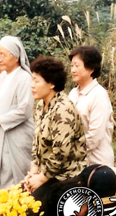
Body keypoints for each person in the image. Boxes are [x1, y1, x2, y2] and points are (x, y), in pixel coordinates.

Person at [22, 56, 87, 203]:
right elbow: (37, 142)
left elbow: (61, 153)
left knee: (30, 207)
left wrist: (42, 178)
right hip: (45, 172)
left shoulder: (63, 109)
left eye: (36, 81)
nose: (32, 85)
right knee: (14, 197)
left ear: (51, 83)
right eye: (32, 80)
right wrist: (34, 169)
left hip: (65, 176)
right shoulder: (40, 105)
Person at [0, 36, 33, 190]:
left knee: (13, 168)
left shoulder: (24, 78)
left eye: (3, 55)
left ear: (15, 57)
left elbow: (24, 110)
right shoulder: (0, 78)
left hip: (16, 132)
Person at [68, 46, 115, 166]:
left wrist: (70, 152)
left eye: (77, 66)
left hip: (96, 162)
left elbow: (95, 136)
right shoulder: (73, 93)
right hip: (75, 162)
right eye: (72, 66)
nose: (73, 70)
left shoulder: (99, 95)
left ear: (91, 69)